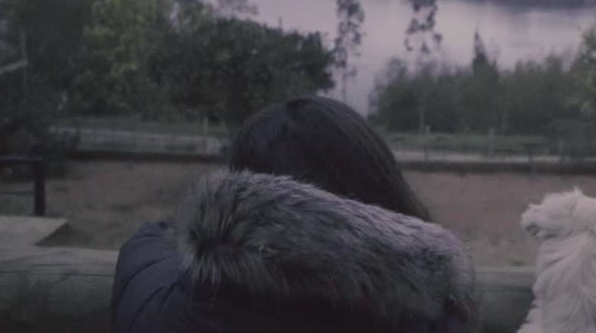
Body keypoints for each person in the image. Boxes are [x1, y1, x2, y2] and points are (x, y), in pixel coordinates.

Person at [112, 96, 478, 333]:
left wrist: (208, 222)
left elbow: (145, 249)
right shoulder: (432, 320)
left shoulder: (160, 309)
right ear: (382, 199)